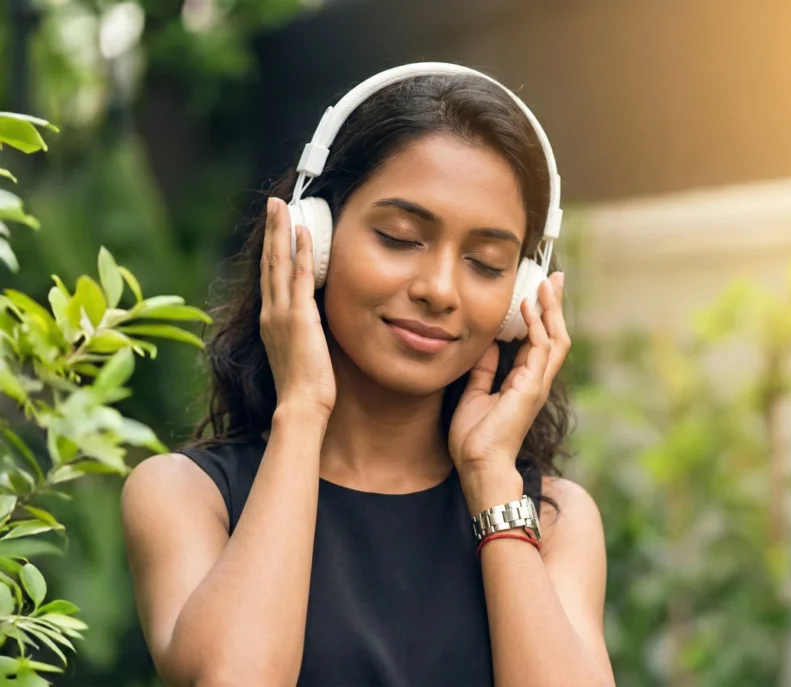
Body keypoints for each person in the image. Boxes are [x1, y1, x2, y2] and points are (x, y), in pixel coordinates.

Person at [120, 63, 613, 687]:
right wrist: (303, 409)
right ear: (311, 238)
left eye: (486, 263)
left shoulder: (556, 520)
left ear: (522, 297)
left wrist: (491, 477)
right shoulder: (185, 496)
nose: (439, 290)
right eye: (399, 237)